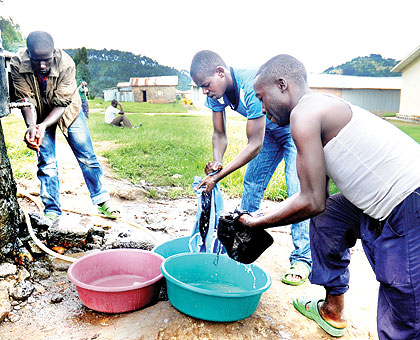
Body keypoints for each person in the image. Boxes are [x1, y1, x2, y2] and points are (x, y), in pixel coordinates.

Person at [239, 54, 420, 339]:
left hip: (410, 200)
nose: (262, 108)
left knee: (406, 310)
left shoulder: (304, 113)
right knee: (329, 218)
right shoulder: (317, 110)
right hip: (389, 196)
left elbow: (311, 201)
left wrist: (256, 224)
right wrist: (259, 216)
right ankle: (332, 309)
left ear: (282, 85)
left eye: (262, 97)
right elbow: (314, 197)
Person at [190, 50, 311, 285]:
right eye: (201, 87)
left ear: (221, 72)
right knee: (252, 184)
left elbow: (254, 144)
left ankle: (302, 258)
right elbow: (219, 133)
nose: (204, 91)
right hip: (269, 133)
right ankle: (241, 244)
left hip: (292, 129)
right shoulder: (215, 96)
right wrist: (217, 163)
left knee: (296, 189)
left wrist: (219, 177)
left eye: (206, 85)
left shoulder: (250, 86)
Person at [10, 31, 119, 221]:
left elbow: (61, 104)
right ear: (28, 54)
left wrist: (43, 125)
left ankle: (102, 202)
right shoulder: (17, 64)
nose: (42, 65)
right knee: (47, 162)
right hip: (38, 111)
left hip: (68, 110)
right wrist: (33, 126)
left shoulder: (66, 64)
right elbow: (25, 100)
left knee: (87, 157)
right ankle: (52, 210)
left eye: (47, 60)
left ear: (54, 52)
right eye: (37, 60)